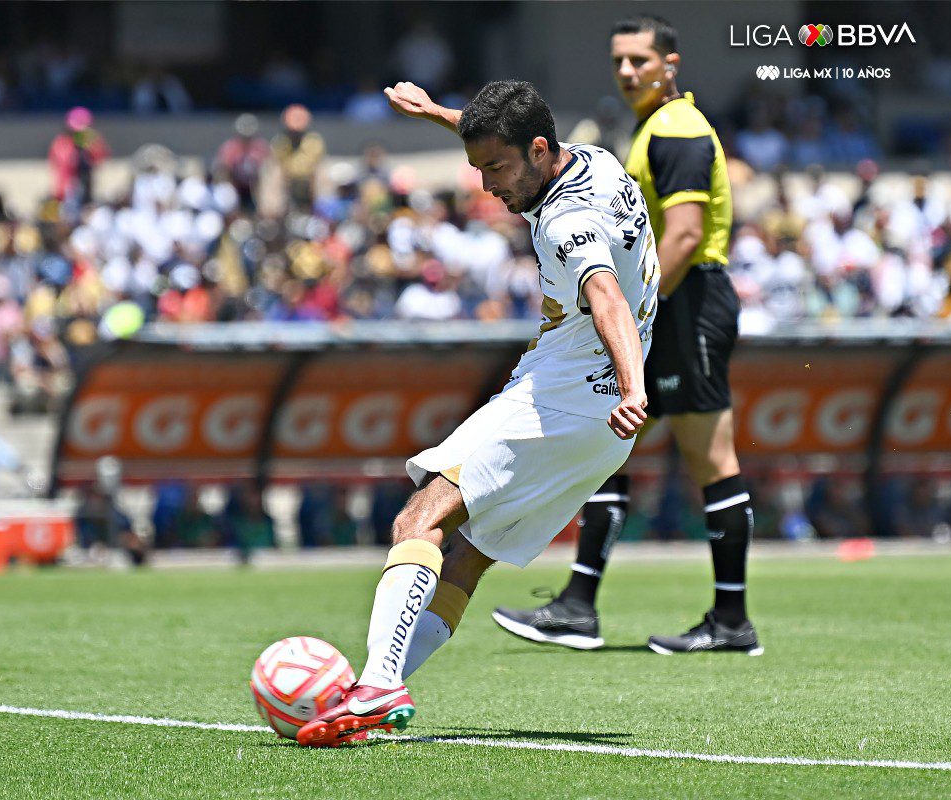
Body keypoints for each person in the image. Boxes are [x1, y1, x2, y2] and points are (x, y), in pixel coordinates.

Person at [296, 79, 658, 747]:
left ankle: (376, 684)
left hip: (563, 398)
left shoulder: (564, 221)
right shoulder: (596, 163)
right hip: (599, 431)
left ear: (540, 151)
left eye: (496, 168)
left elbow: (604, 296)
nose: (488, 186)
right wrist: (438, 112)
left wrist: (637, 386)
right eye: (479, 167)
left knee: (420, 515)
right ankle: (370, 693)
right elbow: (505, 132)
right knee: (464, 558)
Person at [491, 15, 760, 656]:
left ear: (672, 63)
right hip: (670, 304)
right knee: (609, 436)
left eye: (641, 60)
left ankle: (731, 624)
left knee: (710, 457)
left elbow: (688, 235)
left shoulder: (677, 130)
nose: (627, 71)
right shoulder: (653, 129)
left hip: (686, 302)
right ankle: (578, 608)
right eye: (619, 61)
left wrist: (638, 309)